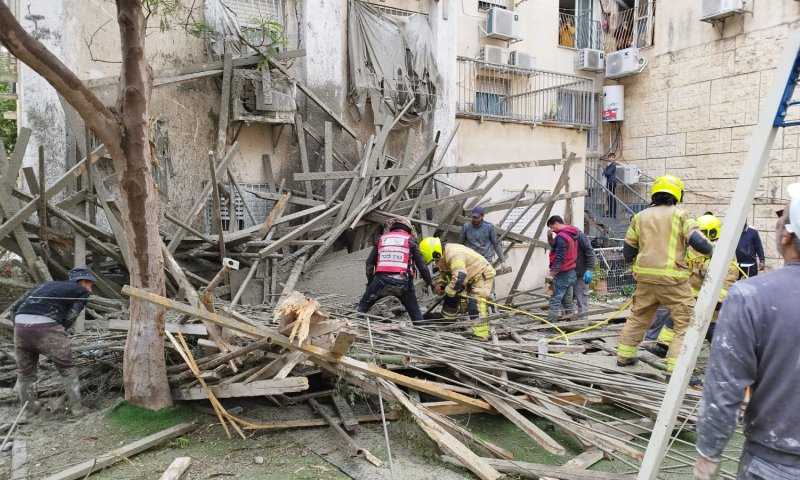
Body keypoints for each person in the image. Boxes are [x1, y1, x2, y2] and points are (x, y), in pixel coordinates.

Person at [694, 183, 800, 480]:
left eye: (781, 220)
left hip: (774, 465)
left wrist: (708, 455)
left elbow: (724, 388)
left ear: (787, 235)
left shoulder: (752, 296)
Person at [615, 175, 714, 372]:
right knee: (685, 323)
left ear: (655, 193)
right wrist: (714, 251)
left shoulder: (639, 217)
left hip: (645, 280)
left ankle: (624, 357)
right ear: (677, 194)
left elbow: (627, 252)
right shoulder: (681, 215)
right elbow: (702, 245)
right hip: (673, 281)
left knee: (638, 317)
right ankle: (677, 370)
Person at [644, 214, 739, 358]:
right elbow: (686, 270)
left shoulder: (725, 251)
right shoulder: (694, 249)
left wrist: (719, 299)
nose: (701, 238)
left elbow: (730, 277)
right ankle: (662, 346)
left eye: (704, 234)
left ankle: (720, 357)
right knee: (675, 318)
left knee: (712, 328)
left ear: (713, 232)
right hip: (691, 294)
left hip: (712, 298)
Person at [12, 267, 96, 421]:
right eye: (91, 285)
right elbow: (71, 316)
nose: (91, 289)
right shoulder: (81, 291)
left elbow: (15, 308)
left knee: (25, 373)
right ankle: (77, 408)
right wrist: (59, 331)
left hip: (20, 326)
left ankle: (28, 411)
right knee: (67, 368)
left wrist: (21, 326)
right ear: (83, 282)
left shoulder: (44, 286)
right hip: (47, 327)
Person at [357, 217, 433, 325]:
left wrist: (370, 282)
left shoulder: (381, 239)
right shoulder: (410, 240)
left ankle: (347, 329)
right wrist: (429, 281)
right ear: (407, 229)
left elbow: (369, 263)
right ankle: (422, 332)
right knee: (415, 314)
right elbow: (422, 265)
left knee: (361, 308)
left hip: (380, 282)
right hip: (403, 284)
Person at [419, 237, 496, 339]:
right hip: (469, 275)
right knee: (451, 295)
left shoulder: (454, 254)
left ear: (435, 253)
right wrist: (440, 284)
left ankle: (481, 335)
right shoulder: (444, 254)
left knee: (475, 304)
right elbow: (445, 272)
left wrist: (448, 290)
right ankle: (448, 320)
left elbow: (460, 276)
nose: (435, 262)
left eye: (434, 260)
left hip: (481, 275)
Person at [546, 216, 579, 324]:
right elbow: (556, 248)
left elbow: (560, 256)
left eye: (552, 227)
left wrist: (553, 272)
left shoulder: (561, 237)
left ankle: (551, 327)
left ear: (556, 223)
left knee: (554, 301)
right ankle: (572, 324)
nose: (553, 230)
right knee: (567, 301)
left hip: (563, 273)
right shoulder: (571, 234)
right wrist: (550, 238)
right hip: (571, 272)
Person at [460, 205, 506, 270]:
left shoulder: (489, 227)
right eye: (473, 217)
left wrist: (503, 260)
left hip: (486, 260)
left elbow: (496, 244)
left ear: (482, 216)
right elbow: (460, 245)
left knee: (488, 279)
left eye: (477, 217)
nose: (475, 219)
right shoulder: (466, 226)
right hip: (471, 259)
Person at [572, 226, 596, 315]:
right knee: (567, 301)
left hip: (581, 274)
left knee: (581, 300)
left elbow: (590, 252)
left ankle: (582, 324)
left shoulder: (580, 237)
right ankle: (569, 323)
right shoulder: (565, 237)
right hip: (569, 274)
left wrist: (589, 269)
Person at [602, 154, 619, 218]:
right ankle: (611, 212)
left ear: (614, 158)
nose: (610, 158)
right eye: (609, 157)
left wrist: (605, 173)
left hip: (611, 182)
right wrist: (605, 172)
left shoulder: (613, 165)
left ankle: (612, 213)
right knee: (610, 198)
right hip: (610, 182)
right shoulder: (609, 165)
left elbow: (607, 173)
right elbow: (605, 173)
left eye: (612, 157)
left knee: (611, 198)